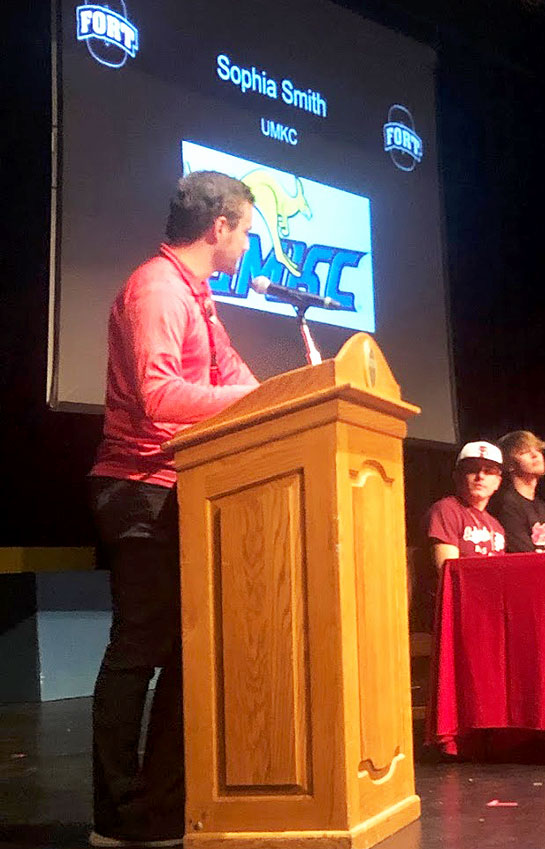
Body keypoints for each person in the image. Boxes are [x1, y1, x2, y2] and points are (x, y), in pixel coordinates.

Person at [88, 171, 261, 848]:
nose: (248, 244)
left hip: (178, 485)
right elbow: (160, 394)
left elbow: (238, 381)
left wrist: (290, 396)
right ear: (218, 227)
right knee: (140, 647)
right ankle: (115, 814)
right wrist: (254, 403)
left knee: (189, 648)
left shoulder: (200, 297)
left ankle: (160, 808)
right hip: (139, 487)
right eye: (246, 229)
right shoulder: (157, 289)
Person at [424, 441, 506, 570]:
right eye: (472, 470)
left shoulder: (496, 525)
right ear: (457, 476)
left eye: (489, 471)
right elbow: (448, 573)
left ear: (498, 482)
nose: (480, 476)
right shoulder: (446, 510)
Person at [489, 430, 545, 552]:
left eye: (538, 450)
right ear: (509, 464)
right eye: (524, 452)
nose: (535, 455)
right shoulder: (507, 506)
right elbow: (524, 556)